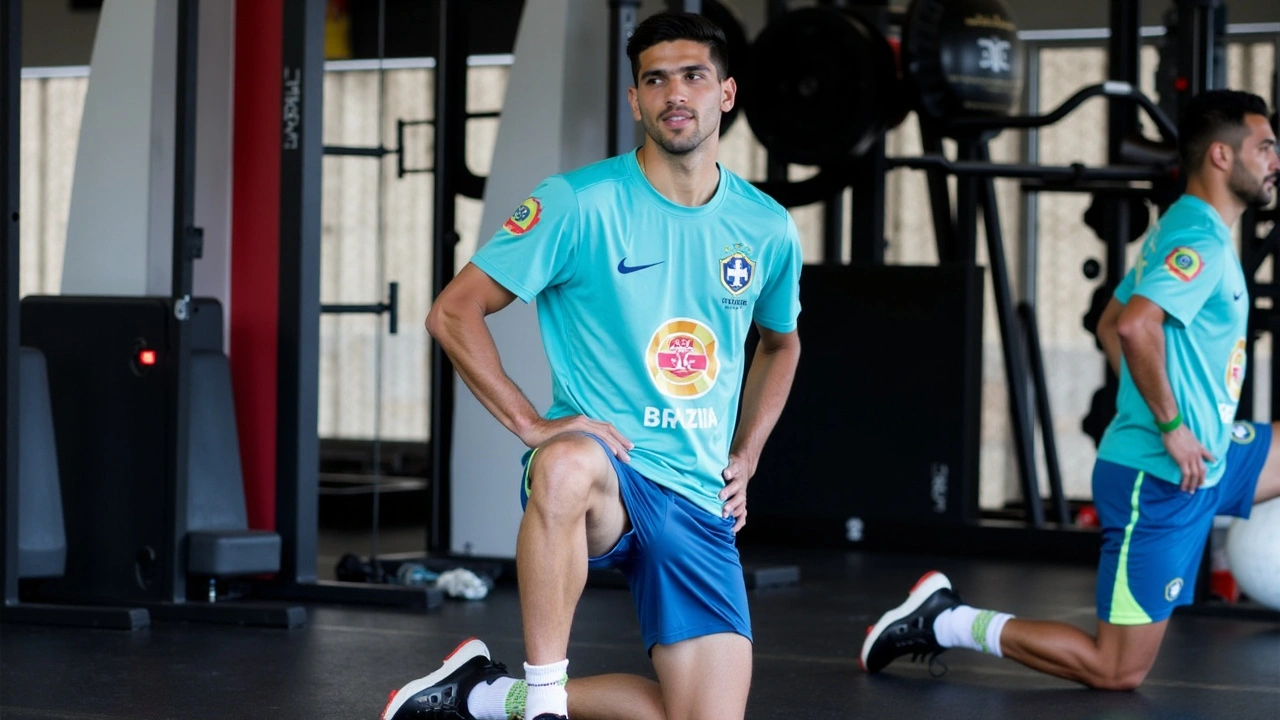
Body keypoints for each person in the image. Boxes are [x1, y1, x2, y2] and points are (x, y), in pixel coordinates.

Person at [380, 11, 802, 720]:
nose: (675, 93)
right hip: (612, 472)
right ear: (635, 100)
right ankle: (543, 701)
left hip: (698, 496)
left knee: (697, 716)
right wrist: (529, 423)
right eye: (655, 79)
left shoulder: (765, 227)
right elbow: (453, 311)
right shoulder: (578, 203)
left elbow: (781, 344)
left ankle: (487, 697)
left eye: (693, 76)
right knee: (567, 462)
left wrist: (747, 454)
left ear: (725, 94)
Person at [860, 89, 1280, 690]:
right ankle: (946, 621)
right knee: (1118, 669)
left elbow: (1112, 324)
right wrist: (1169, 425)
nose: (1275, 161)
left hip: (1206, 458)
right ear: (1221, 156)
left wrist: (1159, 403)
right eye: (1264, 147)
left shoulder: (1190, 224)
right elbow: (1133, 327)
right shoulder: (1201, 241)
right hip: (1161, 479)